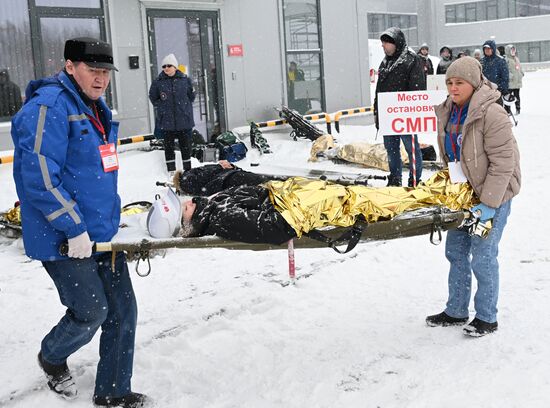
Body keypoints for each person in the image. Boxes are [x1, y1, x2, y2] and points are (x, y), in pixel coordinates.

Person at [11, 37, 150, 407]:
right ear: (70, 66)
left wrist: (110, 220)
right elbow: (38, 178)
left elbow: (95, 171)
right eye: (94, 70)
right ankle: (52, 356)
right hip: (62, 236)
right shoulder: (49, 108)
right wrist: (74, 228)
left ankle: (113, 393)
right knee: (92, 311)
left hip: (100, 233)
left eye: (106, 72)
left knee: (123, 312)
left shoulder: (93, 106)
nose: (101, 78)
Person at [427, 57, 521, 337]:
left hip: (495, 194)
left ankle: (486, 317)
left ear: (474, 83)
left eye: (460, 83)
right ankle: (456, 310)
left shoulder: (492, 114)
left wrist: (489, 204)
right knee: (455, 252)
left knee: (482, 255)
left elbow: (504, 163)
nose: (453, 88)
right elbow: (451, 155)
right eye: (450, 83)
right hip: (465, 196)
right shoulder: (447, 111)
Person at [373, 27, 426, 187]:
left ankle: (414, 179)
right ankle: (395, 179)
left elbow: (417, 88)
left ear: (397, 43)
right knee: (391, 149)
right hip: (389, 114)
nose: (383, 46)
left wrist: (410, 109)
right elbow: (379, 89)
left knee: (411, 148)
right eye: (382, 44)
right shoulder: (385, 62)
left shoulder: (411, 60)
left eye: (386, 43)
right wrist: (377, 111)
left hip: (405, 113)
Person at [149, 53, 196, 177]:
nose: (166, 68)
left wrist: (184, 108)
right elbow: (153, 97)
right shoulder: (158, 82)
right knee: (169, 147)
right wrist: (162, 106)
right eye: (164, 66)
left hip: (183, 120)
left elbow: (191, 96)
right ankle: (171, 171)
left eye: (169, 65)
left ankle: (188, 171)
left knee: (185, 146)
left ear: (175, 67)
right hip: (167, 121)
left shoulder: (185, 80)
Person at [172, 160, 279, 196]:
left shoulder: (188, 177)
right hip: (226, 179)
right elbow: (205, 176)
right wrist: (220, 167)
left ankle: (283, 182)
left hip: (227, 177)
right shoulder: (186, 179)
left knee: (261, 180)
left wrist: (228, 167)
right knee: (262, 180)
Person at [503, 44, 524, 115]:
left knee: (517, 97)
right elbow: (505, 70)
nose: (513, 51)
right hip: (510, 83)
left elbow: (519, 67)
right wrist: (510, 76)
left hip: (517, 82)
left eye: (513, 50)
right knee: (508, 97)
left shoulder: (516, 58)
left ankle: (518, 109)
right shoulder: (506, 60)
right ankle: (507, 110)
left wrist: (521, 73)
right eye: (511, 50)